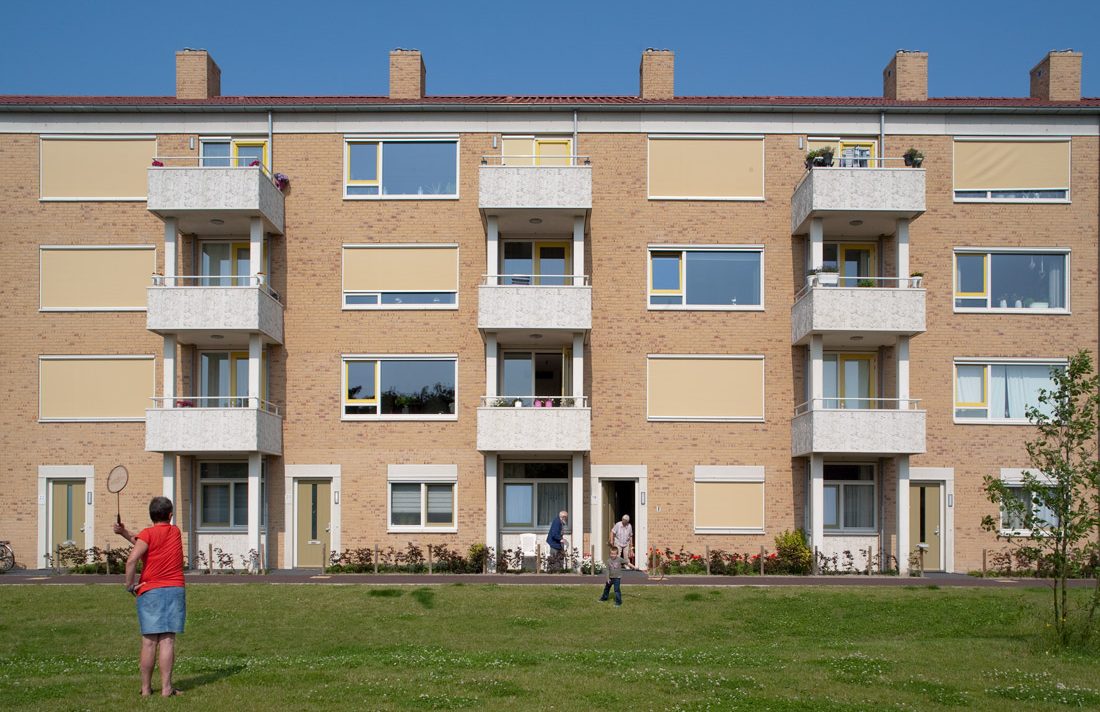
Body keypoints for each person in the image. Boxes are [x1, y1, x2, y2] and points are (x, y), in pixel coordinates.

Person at [114, 496, 185, 698]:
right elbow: (142, 548)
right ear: (170, 516)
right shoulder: (175, 532)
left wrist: (130, 586)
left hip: (149, 591)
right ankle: (166, 689)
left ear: (151, 515)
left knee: (148, 642)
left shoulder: (147, 534)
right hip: (174, 589)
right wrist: (125, 533)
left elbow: (134, 556)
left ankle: (145, 690)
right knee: (167, 641)